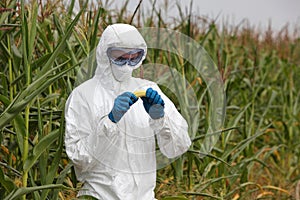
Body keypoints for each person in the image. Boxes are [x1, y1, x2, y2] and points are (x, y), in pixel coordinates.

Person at [64, 23, 191, 200]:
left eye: (134, 57)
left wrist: (161, 119)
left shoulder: (148, 88)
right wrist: (109, 121)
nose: (127, 63)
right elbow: (79, 157)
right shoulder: (84, 95)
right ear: (104, 54)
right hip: (99, 196)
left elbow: (179, 146)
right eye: (120, 57)